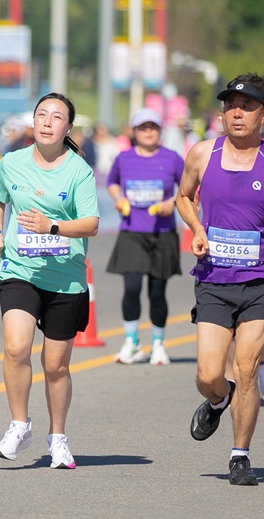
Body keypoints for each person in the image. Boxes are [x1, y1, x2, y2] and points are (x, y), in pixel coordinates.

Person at [175, 73, 264, 486]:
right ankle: (219, 400)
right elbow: (183, 196)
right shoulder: (202, 154)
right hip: (214, 278)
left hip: (260, 279)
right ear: (221, 113)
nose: (237, 113)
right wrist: (197, 228)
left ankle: (240, 456)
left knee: (246, 367)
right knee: (208, 375)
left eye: (247, 107)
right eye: (231, 105)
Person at [0, 92, 100, 470]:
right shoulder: (11, 162)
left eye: (57, 117)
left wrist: (52, 226)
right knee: (16, 347)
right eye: (42, 115)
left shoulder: (79, 171)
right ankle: (19, 425)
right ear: (33, 121)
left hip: (65, 278)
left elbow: (91, 224)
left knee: (56, 366)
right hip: (20, 270)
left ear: (68, 127)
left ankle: (58, 437)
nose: (48, 122)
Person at [106, 108, 184, 366]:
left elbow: (189, 188)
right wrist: (119, 198)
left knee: (157, 292)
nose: (148, 131)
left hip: (162, 234)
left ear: (160, 130)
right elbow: (112, 182)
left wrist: (172, 203)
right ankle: (131, 342)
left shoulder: (172, 158)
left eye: (153, 127)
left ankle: (158, 344)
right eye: (143, 127)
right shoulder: (124, 158)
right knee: (131, 288)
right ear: (134, 131)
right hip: (132, 232)